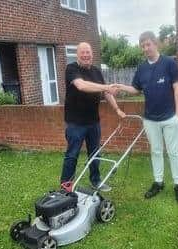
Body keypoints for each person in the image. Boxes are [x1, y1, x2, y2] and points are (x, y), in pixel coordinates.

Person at [113, 31, 178, 204]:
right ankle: (158, 182)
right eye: (143, 45)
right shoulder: (141, 68)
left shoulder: (169, 63)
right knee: (156, 151)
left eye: (148, 44)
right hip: (150, 119)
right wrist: (120, 86)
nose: (146, 48)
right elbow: (136, 89)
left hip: (170, 118)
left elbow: (177, 89)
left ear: (156, 44)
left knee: (174, 153)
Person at [60, 42, 125, 192]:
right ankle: (66, 187)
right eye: (82, 52)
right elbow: (81, 85)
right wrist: (106, 87)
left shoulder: (96, 71)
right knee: (72, 155)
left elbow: (106, 93)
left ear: (92, 54)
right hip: (75, 123)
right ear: (77, 55)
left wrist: (117, 109)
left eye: (88, 52)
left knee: (95, 153)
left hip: (93, 122)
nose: (85, 55)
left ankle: (95, 181)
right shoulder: (71, 69)